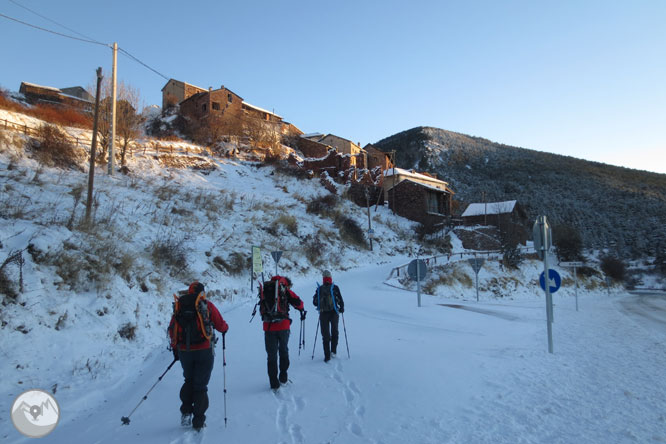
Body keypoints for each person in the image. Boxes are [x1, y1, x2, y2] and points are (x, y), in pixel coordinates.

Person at [168, 281, 229, 431]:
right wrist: (225, 328)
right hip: (204, 349)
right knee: (200, 385)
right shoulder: (206, 305)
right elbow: (220, 325)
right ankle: (198, 421)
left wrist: (176, 348)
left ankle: (186, 412)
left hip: (184, 351)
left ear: (189, 292)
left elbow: (172, 329)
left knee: (189, 379)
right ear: (202, 292)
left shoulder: (180, 306)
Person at [260, 275, 305, 390]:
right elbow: (300, 304)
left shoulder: (266, 289)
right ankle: (283, 378)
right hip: (283, 326)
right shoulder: (285, 290)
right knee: (283, 350)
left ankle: (274, 384)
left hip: (268, 327)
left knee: (271, 355)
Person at [313, 270, 344, 362]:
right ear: (331, 278)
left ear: (323, 278)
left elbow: (314, 303)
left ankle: (327, 356)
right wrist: (341, 308)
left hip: (323, 314)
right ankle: (333, 351)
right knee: (335, 331)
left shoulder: (319, 289)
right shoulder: (335, 287)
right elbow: (341, 300)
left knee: (325, 334)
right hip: (334, 312)